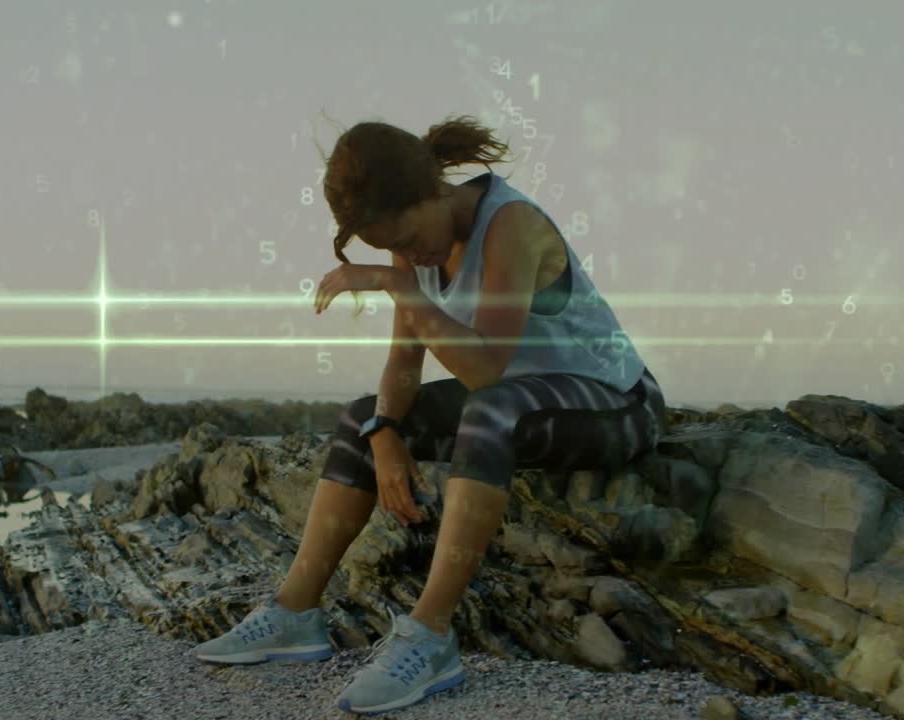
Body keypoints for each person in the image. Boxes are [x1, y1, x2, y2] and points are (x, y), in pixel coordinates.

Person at [192, 113, 668, 715]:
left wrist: (403, 287)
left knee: (491, 410)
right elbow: (404, 367)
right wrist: (385, 431)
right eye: (394, 248)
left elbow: (486, 370)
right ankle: (295, 613)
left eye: (410, 239)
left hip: (619, 401)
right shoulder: (413, 246)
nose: (409, 254)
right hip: (525, 395)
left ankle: (431, 635)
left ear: (435, 191)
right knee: (358, 417)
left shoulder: (510, 226)